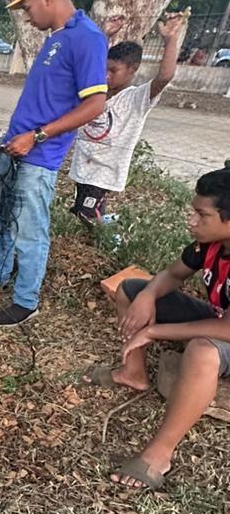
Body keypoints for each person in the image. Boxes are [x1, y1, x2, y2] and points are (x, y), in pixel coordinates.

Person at [0, 0, 108, 327]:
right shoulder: (58, 36)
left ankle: (26, 300)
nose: (27, 17)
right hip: (13, 147)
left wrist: (38, 136)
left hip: (38, 155)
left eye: (28, 8)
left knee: (29, 229)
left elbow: (94, 105)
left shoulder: (87, 37)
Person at [83, 165, 230, 490]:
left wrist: (153, 331)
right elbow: (173, 275)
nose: (192, 221)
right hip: (220, 319)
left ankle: (159, 455)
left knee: (203, 350)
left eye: (201, 215)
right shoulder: (210, 245)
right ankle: (133, 373)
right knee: (130, 290)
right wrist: (148, 294)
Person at [68, 13, 186, 223]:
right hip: (81, 168)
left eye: (114, 70)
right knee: (82, 214)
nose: (106, 75)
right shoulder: (95, 92)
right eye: (104, 69)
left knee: (89, 218)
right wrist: (103, 35)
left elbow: (164, 77)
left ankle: (114, 239)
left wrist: (170, 39)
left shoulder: (136, 99)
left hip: (103, 174)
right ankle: (108, 232)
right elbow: (87, 61)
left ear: (133, 69)